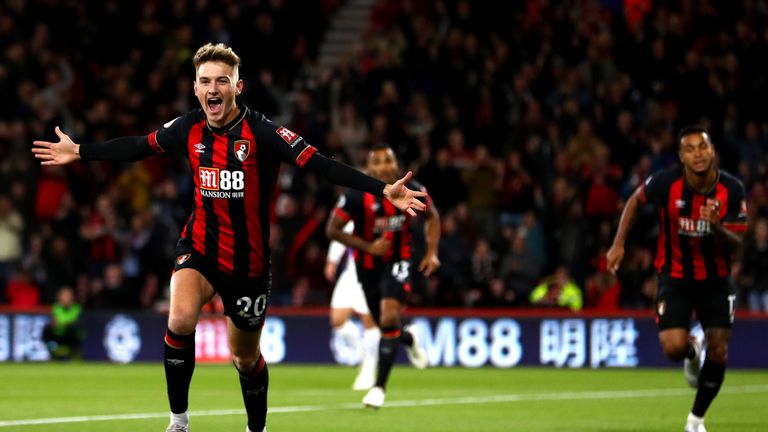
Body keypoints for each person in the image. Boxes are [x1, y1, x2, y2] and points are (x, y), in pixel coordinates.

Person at [32, 42, 428, 432]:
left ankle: (257, 429)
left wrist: (381, 189)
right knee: (181, 318)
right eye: (205, 81)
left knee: (244, 357)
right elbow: (138, 147)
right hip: (200, 246)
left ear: (238, 87)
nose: (213, 88)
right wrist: (80, 150)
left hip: (248, 264)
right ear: (195, 87)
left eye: (223, 80)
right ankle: (178, 422)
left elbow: (322, 165)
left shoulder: (264, 133)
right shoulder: (188, 127)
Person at [606, 125, 748, 432]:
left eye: (703, 147)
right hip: (675, 276)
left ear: (712, 152)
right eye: (690, 148)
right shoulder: (665, 182)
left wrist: (717, 227)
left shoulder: (732, 189)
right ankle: (691, 350)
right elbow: (634, 201)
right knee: (673, 348)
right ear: (681, 156)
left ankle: (695, 420)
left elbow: (739, 243)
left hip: (717, 280)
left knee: (720, 350)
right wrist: (619, 243)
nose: (698, 154)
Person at [326, 143, 441, 408]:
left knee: (388, 317)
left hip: (399, 261)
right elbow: (332, 230)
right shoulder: (356, 195)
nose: (382, 167)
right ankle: (409, 338)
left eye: (386, 161)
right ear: (368, 168)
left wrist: (432, 252)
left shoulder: (414, 189)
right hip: (366, 267)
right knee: (386, 326)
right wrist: (368, 247)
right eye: (376, 162)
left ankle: (378, 387)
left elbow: (432, 217)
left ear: (396, 164)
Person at [324, 220, 380, 391]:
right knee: (337, 320)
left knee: (369, 322)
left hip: (372, 273)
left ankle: (369, 369)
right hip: (351, 273)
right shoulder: (354, 207)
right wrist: (332, 260)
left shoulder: (383, 213)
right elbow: (340, 232)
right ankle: (364, 355)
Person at [42, 286, 84, 360]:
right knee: (47, 329)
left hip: (70, 335)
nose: (66, 297)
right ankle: (52, 352)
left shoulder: (77, 308)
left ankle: (73, 354)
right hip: (57, 334)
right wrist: (54, 324)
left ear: (72, 297)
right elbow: (52, 321)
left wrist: (63, 323)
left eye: (68, 295)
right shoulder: (55, 308)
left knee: (73, 329)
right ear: (59, 297)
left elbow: (77, 323)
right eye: (64, 295)